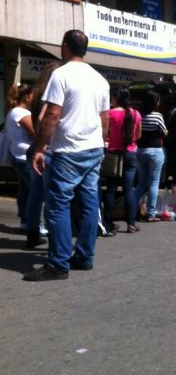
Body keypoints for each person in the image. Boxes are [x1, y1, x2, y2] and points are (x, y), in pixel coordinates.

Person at [23, 29, 110, 281]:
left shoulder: (60, 75)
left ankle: (58, 263)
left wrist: (39, 148)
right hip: (93, 149)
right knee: (89, 203)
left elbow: (52, 115)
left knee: (58, 206)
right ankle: (84, 256)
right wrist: (102, 143)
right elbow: (104, 119)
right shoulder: (99, 79)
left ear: (65, 47)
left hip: (68, 151)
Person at [25, 62, 60, 248]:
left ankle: (31, 234)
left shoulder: (36, 96)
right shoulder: (51, 98)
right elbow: (43, 120)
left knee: (35, 196)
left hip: (34, 147)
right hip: (47, 148)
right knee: (50, 197)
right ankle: (54, 239)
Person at [102, 86, 141, 234]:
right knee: (129, 188)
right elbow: (138, 136)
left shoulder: (110, 114)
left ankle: (107, 221)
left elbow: (105, 133)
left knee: (111, 188)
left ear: (116, 98)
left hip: (113, 153)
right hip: (130, 152)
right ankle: (131, 223)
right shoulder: (135, 113)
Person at [134, 90, 167, 222]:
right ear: (154, 102)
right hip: (155, 151)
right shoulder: (157, 116)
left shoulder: (139, 114)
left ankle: (132, 209)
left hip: (140, 150)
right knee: (153, 183)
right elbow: (164, 132)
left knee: (141, 182)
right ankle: (151, 213)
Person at [5, 83, 35, 230]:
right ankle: (33, 223)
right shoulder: (23, 114)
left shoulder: (13, 111)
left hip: (17, 154)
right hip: (25, 156)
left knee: (24, 190)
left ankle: (25, 220)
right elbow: (34, 134)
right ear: (27, 97)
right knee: (34, 191)